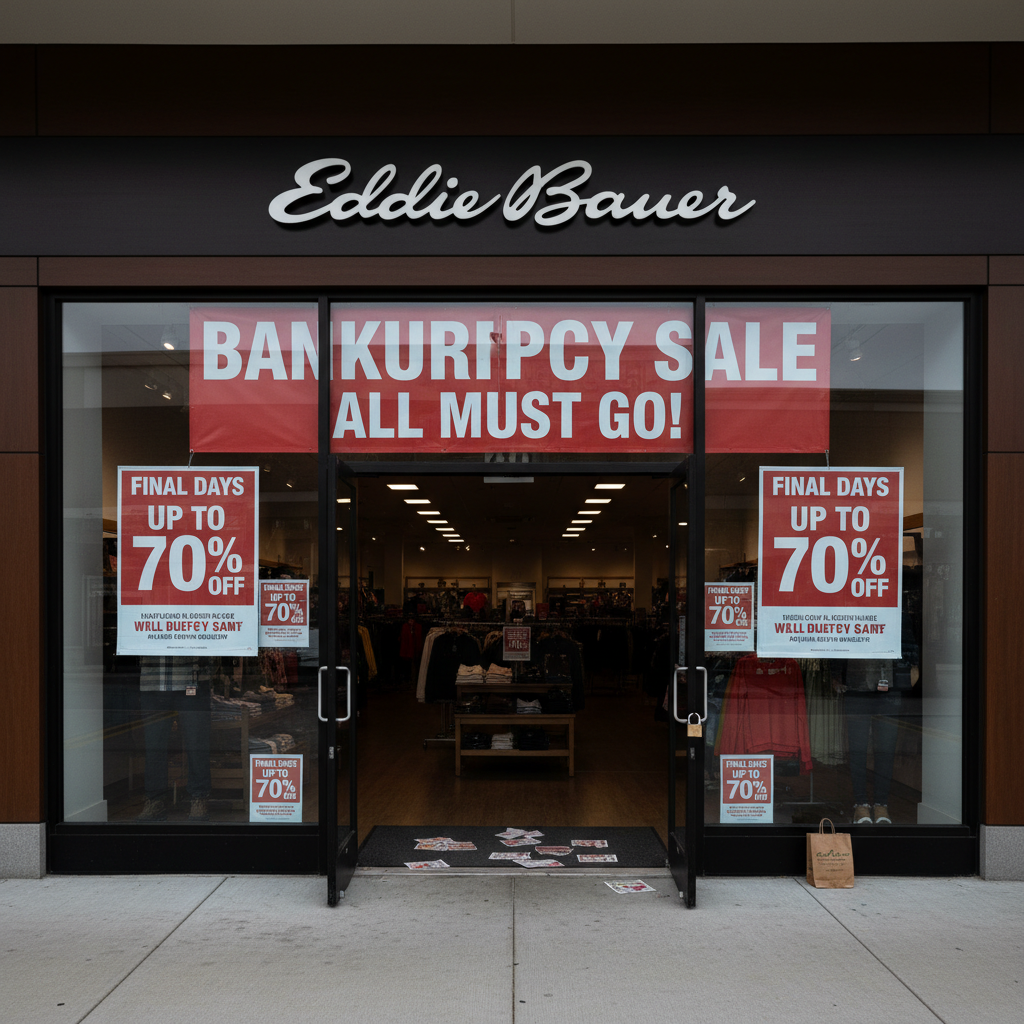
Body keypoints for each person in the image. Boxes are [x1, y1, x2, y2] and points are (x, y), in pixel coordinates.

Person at [136, 656, 214, 821]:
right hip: (153, 680)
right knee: (154, 745)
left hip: (192, 678)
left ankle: (199, 798)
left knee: (196, 743)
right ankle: (155, 799)